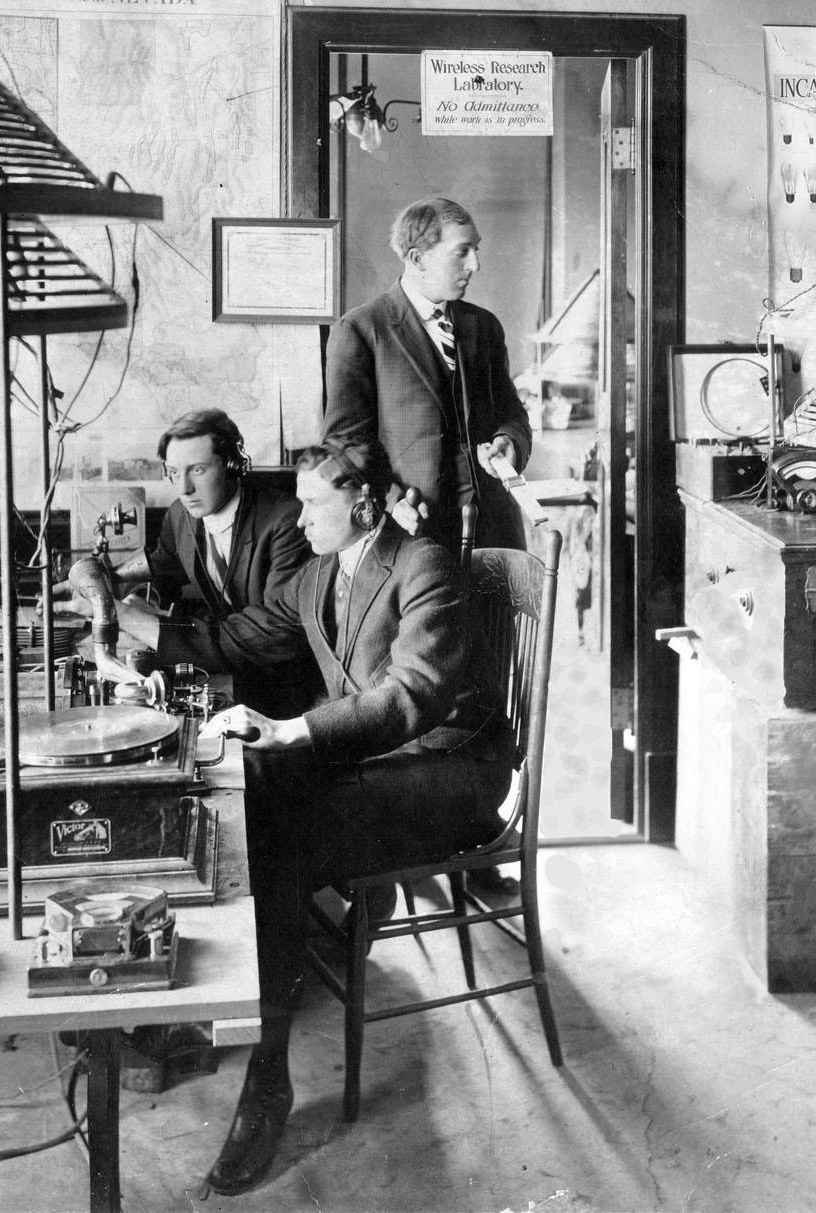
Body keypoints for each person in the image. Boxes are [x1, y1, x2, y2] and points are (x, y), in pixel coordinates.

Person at [115, 439, 511, 1194]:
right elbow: (245, 638)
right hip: (383, 762)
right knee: (238, 787)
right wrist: (148, 650)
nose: (297, 518)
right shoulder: (323, 571)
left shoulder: (422, 563)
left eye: (312, 504)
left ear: (362, 505)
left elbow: (411, 696)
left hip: (450, 771)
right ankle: (216, 1006)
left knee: (277, 832)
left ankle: (266, 1078)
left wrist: (295, 729)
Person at [324, 195, 533, 555]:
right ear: (417, 258)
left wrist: (508, 443)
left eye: (476, 250)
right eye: (462, 251)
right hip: (413, 536)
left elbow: (512, 415)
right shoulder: (361, 329)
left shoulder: (483, 327)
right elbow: (344, 444)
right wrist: (390, 500)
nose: (476, 264)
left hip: (496, 535)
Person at [139, 408, 318, 717]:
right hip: (230, 676)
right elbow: (162, 570)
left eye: (197, 470)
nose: (183, 488)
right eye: (173, 472)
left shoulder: (285, 521)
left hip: (290, 692)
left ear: (231, 465)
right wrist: (128, 592)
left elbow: (275, 631)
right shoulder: (180, 515)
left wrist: (144, 624)